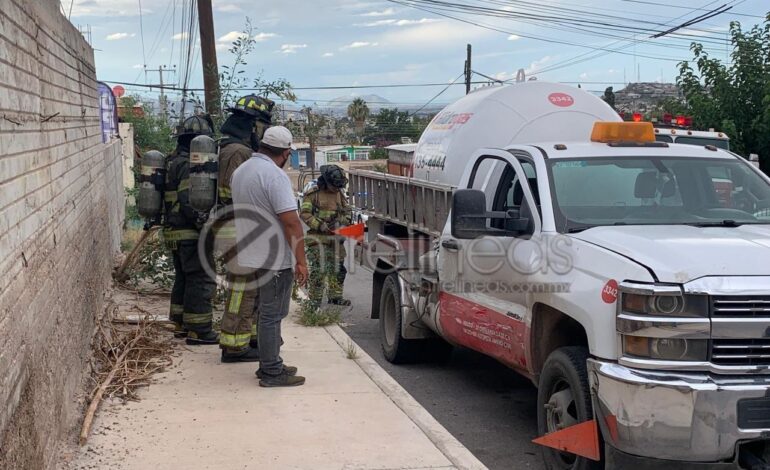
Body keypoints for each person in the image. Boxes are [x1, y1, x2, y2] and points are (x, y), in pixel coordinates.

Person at [231, 126, 309, 387]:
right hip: (274, 257)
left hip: (251, 253)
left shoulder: (242, 171)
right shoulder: (274, 176)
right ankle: (272, 371)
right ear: (286, 153)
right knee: (272, 314)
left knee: (265, 312)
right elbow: (291, 223)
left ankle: (269, 362)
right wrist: (301, 260)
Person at [215, 95, 275, 363]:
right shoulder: (237, 151)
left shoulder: (233, 148)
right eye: (261, 126)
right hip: (237, 231)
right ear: (252, 126)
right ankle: (233, 345)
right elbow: (232, 193)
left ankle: (246, 338)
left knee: (251, 288)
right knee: (242, 289)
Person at [164, 115, 219, 345]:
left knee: (184, 278)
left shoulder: (171, 161)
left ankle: (179, 322)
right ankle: (199, 329)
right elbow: (189, 201)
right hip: (189, 231)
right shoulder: (189, 166)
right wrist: (203, 225)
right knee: (201, 278)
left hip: (173, 232)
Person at [300, 164, 352, 307]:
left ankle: (335, 297)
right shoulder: (313, 194)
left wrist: (342, 223)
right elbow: (304, 214)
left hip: (335, 240)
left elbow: (348, 212)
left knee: (339, 270)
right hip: (318, 239)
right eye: (334, 186)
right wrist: (320, 225)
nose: (336, 189)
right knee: (319, 271)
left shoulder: (339, 193)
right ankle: (315, 300)